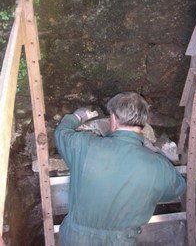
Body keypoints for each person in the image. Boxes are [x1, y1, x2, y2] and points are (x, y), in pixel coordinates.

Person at [54, 92, 186, 246]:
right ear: (143, 123)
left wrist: (76, 117)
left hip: (75, 240)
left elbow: (61, 133)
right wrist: (158, 155)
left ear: (114, 119)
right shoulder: (159, 166)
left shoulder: (84, 145)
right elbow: (178, 188)